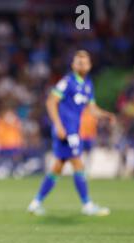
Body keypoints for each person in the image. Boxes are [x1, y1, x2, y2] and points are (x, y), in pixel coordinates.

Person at [27, 50, 116, 216]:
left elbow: (92, 109)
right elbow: (51, 102)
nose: (82, 65)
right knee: (78, 164)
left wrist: (106, 115)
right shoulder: (67, 82)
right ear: (73, 65)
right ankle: (87, 204)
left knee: (57, 168)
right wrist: (59, 126)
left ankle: (35, 202)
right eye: (78, 62)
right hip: (66, 132)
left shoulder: (88, 84)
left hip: (74, 130)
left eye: (84, 62)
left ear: (89, 65)